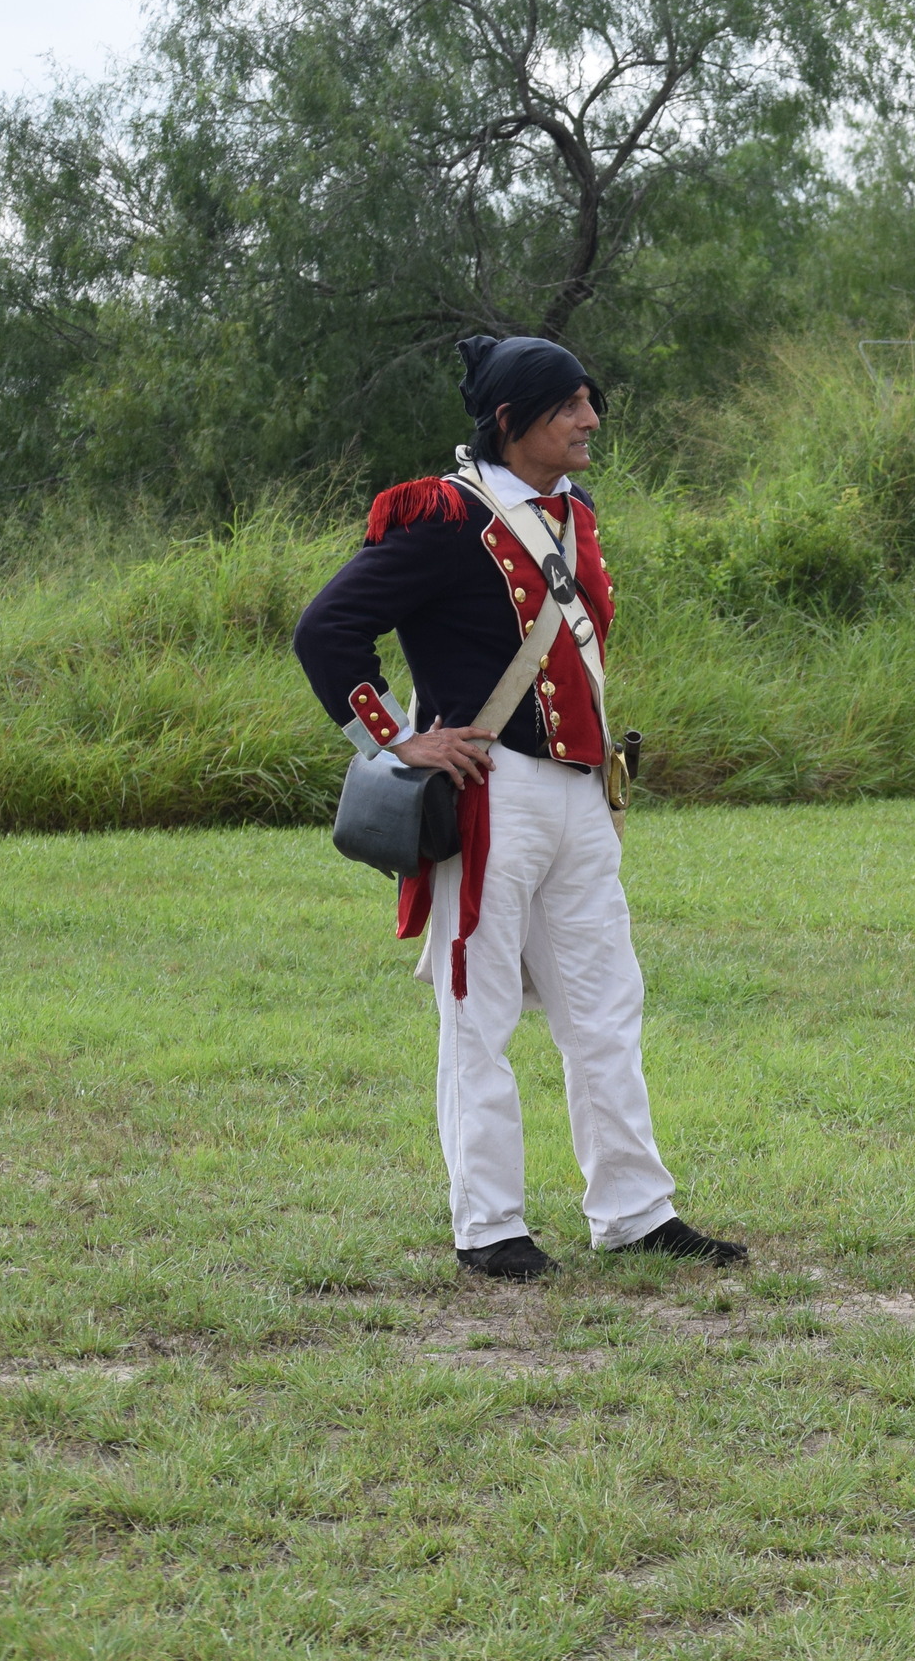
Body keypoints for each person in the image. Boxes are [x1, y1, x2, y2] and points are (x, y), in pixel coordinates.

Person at [294, 335, 745, 1282]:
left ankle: (634, 1211)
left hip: (582, 798)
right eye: (570, 405)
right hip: (489, 796)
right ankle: (489, 1225)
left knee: (604, 1009)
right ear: (511, 421)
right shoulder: (444, 515)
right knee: (480, 1010)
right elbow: (326, 628)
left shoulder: (572, 514)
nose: (590, 420)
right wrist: (392, 738)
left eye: (589, 401)